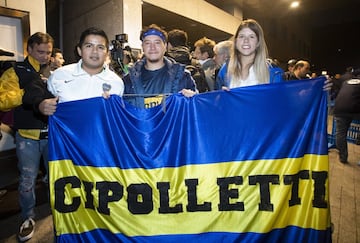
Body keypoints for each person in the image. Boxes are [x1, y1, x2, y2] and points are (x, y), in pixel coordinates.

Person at [0, 32, 54, 241]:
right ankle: (28, 218)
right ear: (29, 49)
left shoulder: (55, 71)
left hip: (52, 135)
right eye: (40, 51)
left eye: (48, 52)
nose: (45, 56)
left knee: (56, 176)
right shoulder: (15, 71)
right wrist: (27, 92)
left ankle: (58, 210)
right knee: (27, 181)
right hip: (27, 137)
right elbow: (2, 100)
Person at [35, 27, 124, 111]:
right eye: (89, 46)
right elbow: (43, 104)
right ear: (79, 50)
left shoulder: (116, 83)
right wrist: (41, 106)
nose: (95, 51)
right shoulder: (58, 76)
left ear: (107, 53)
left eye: (100, 47)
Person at [123, 24, 196, 109]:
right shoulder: (128, 81)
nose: (152, 47)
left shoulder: (183, 77)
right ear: (142, 47)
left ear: (165, 46)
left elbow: (196, 111)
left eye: (157, 43)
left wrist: (194, 99)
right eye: (147, 43)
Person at [215, 19, 284, 89]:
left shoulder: (273, 72)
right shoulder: (226, 69)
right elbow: (215, 96)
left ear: (258, 42)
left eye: (251, 37)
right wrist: (222, 96)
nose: (246, 41)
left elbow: (279, 98)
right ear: (236, 41)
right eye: (241, 36)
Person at [166, 28, 209, 93]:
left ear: (169, 44)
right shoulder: (196, 64)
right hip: (190, 101)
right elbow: (202, 90)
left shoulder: (164, 61)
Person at [333, 68, 360, 164]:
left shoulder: (346, 82)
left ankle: (343, 157)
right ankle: (358, 139)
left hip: (339, 108)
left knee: (340, 133)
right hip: (353, 110)